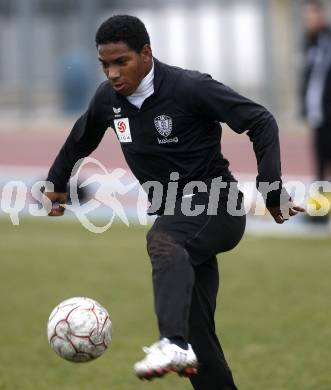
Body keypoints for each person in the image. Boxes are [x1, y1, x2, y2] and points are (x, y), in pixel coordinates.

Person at [45, 15, 304, 390]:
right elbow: (80, 138)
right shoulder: (109, 99)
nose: (113, 73)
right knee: (201, 339)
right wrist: (56, 180)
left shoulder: (189, 87)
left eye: (122, 62)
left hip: (217, 205)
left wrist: (271, 188)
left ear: (146, 54)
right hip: (179, 216)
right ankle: (185, 344)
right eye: (105, 65)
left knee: (163, 240)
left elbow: (260, 120)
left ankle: (172, 343)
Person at [301, 0, 331, 181]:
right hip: (318, 113)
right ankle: (321, 205)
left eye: (313, 15)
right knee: (320, 160)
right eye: (307, 17)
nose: (310, 20)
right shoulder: (308, 42)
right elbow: (309, 78)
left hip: (329, 111)